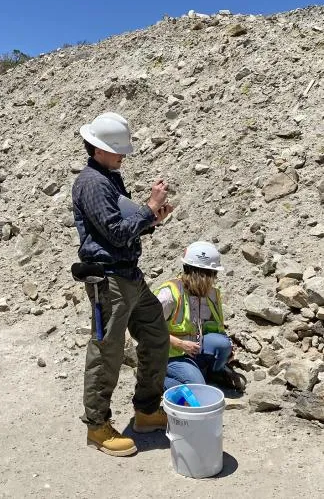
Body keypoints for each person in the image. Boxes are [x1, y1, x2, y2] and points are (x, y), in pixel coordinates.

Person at [72, 112, 173, 457]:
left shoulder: (109, 177)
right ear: (98, 149)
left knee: (156, 336)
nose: (123, 156)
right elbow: (115, 233)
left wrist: (151, 218)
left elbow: (125, 225)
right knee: (107, 353)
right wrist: (149, 208)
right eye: (117, 150)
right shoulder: (93, 183)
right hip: (109, 280)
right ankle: (97, 427)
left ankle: (146, 411)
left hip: (129, 275)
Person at [154, 241, 245, 392]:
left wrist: (228, 347)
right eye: (213, 274)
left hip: (194, 350)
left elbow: (215, 328)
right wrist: (179, 343)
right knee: (198, 389)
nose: (214, 279)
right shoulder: (169, 294)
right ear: (202, 275)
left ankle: (212, 373)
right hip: (169, 355)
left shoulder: (211, 294)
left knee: (222, 344)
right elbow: (145, 330)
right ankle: (154, 379)